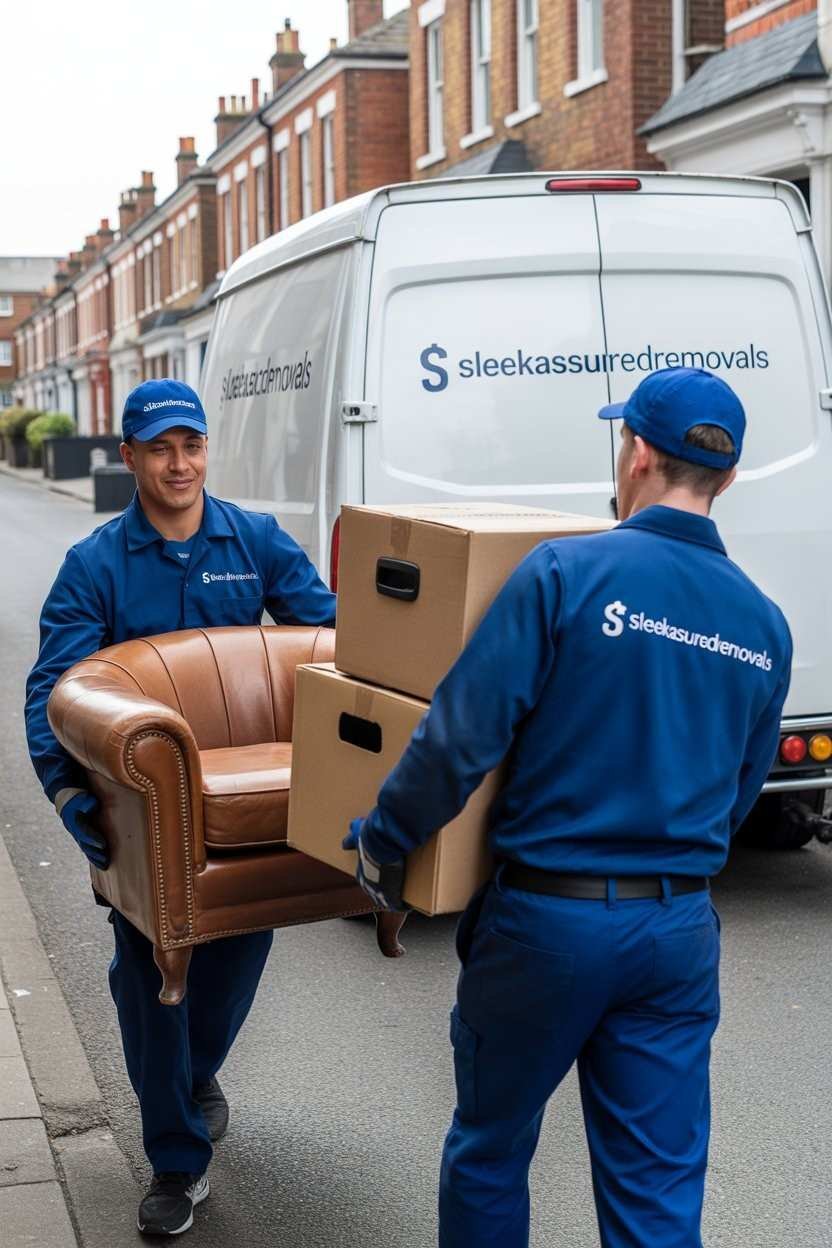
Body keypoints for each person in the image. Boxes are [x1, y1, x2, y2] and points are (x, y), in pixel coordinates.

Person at [345, 367, 792, 1248]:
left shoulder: (567, 572)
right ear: (728, 477)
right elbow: (741, 794)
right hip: (676, 933)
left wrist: (382, 845)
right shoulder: (764, 623)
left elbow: (457, 739)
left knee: (491, 1149)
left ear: (636, 454)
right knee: (656, 1191)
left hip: (549, 922)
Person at [25, 378, 336, 1237]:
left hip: (240, 819)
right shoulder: (95, 565)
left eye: (191, 446)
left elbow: (328, 640)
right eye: (159, 448)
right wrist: (66, 790)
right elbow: (55, 689)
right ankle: (176, 1160)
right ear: (128, 458)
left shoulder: (256, 541)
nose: (179, 464)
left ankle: (192, 1077)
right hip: (137, 815)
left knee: (235, 954)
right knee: (152, 978)